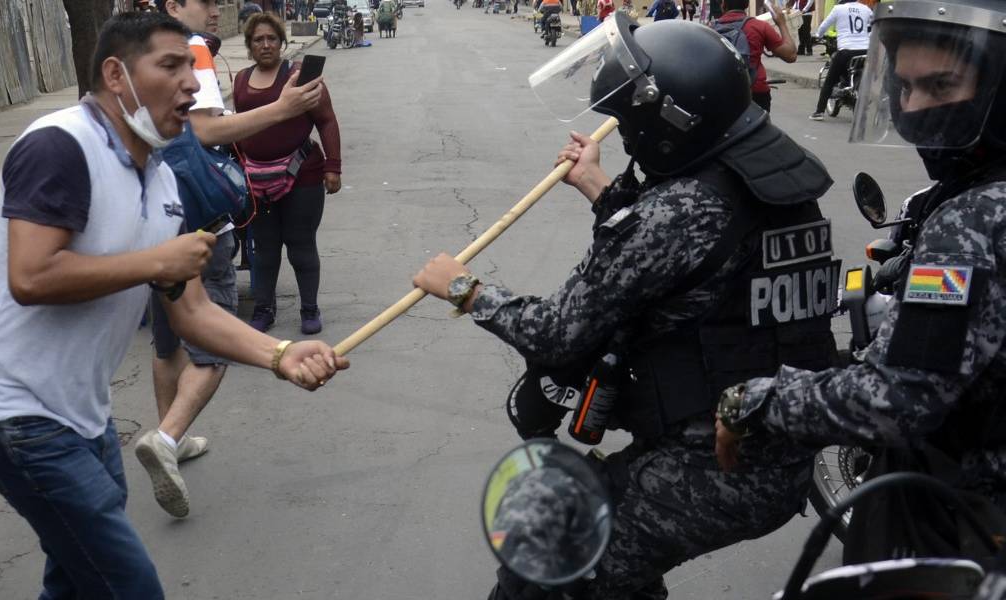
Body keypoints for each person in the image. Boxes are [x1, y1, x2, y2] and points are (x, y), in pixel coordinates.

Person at [415, 15, 838, 599]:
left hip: (718, 466)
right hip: (777, 448)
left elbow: (559, 332)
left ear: (673, 124)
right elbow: (686, 255)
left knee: (550, 556)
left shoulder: (680, 211)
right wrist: (600, 187)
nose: (629, 136)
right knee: (619, 570)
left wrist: (465, 289)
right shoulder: (766, 179)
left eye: (635, 124)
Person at [0, 13, 348, 599]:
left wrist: (280, 353)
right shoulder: (60, 145)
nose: (191, 84)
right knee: (127, 585)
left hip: (86, 413)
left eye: (194, 68)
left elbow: (192, 310)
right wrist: (159, 262)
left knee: (75, 579)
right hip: (18, 416)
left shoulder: (162, 181)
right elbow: (30, 275)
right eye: (171, 65)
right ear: (117, 75)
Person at [716, 0, 1006, 566]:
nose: (916, 107)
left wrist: (753, 401)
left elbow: (898, 396)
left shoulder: (973, 220)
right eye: (905, 87)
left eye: (941, 86)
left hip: (968, 531)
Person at [143, 0, 325, 519]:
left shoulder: (146, 53)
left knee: (166, 331)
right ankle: (167, 435)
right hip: (200, 213)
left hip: (157, 216)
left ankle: (169, 440)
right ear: (175, 5)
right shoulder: (189, 50)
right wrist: (282, 110)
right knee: (211, 327)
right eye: (204, 0)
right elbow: (202, 131)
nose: (216, 8)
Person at [234, 14, 341, 335]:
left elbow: (326, 120)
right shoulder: (240, 80)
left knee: (300, 244)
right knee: (264, 249)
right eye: (258, 40)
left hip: (302, 176)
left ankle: (310, 309)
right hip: (257, 180)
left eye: (271, 39)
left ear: (282, 43)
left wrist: (333, 166)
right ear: (250, 46)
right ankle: (264, 310)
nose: (265, 45)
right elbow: (239, 126)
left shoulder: (300, 77)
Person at [714, 0, 797, 113]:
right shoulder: (760, 26)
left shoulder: (710, 29)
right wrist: (781, 23)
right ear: (747, 4)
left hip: (721, 93)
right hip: (755, 92)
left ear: (723, 4)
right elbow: (790, 55)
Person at [808, 0, 872, 120]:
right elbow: (874, 26)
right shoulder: (866, 9)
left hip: (846, 51)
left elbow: (824, 26)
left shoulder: (838, 9)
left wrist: (817, 35)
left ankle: (819, 112)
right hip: (865, 51)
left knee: (829, 81)